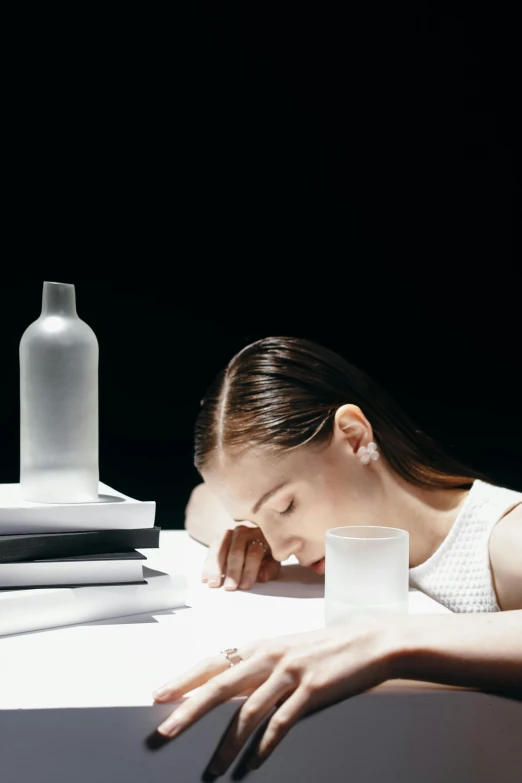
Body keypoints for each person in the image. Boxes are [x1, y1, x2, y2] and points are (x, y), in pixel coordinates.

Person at [152, 336, 522, 774]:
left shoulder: (502, 537)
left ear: (353, 435)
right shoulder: (306, 540)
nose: (281, 547)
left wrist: (382, 641)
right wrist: (245, 532)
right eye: (257, 521)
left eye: (286, 506)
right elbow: (201, 501)